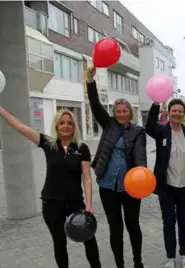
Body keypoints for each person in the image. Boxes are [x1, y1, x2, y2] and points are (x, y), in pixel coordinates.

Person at [0, 107, 101, 268]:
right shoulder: (48, 143)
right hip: (52, 203)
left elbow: (87, 178)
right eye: (62, 123)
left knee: (89, 239)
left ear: (74, 126)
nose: (66, 126)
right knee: (59, 243)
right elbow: (20, 126)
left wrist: (89, 205)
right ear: (56, 126)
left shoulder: (82, 148)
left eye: (69, 123)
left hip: (75, 203)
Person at [86, 67, 147, 268]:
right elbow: (95, 105)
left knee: (133, 226)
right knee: (115, 228)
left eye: (125, 111)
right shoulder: (109, 125)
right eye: (118, 111)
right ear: (114, 113)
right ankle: (120, 264)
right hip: (107, 185)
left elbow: (140, 157)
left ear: (130, 112)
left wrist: (143, 177)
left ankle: (138, 261)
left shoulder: (138, 132)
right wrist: (90, 80)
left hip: (131, 187)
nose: (121, 114)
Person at [145, 99, 185, 268]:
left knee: (184, 221)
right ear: (168, 113)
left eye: (180, 111)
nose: (177, 114)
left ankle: (184, 253)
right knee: (168, 222)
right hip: (167, 187)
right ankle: (170, 256)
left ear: (183, 114)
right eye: (174, 110)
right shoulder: (162, 132)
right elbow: (149, 126)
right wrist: (155, 104)